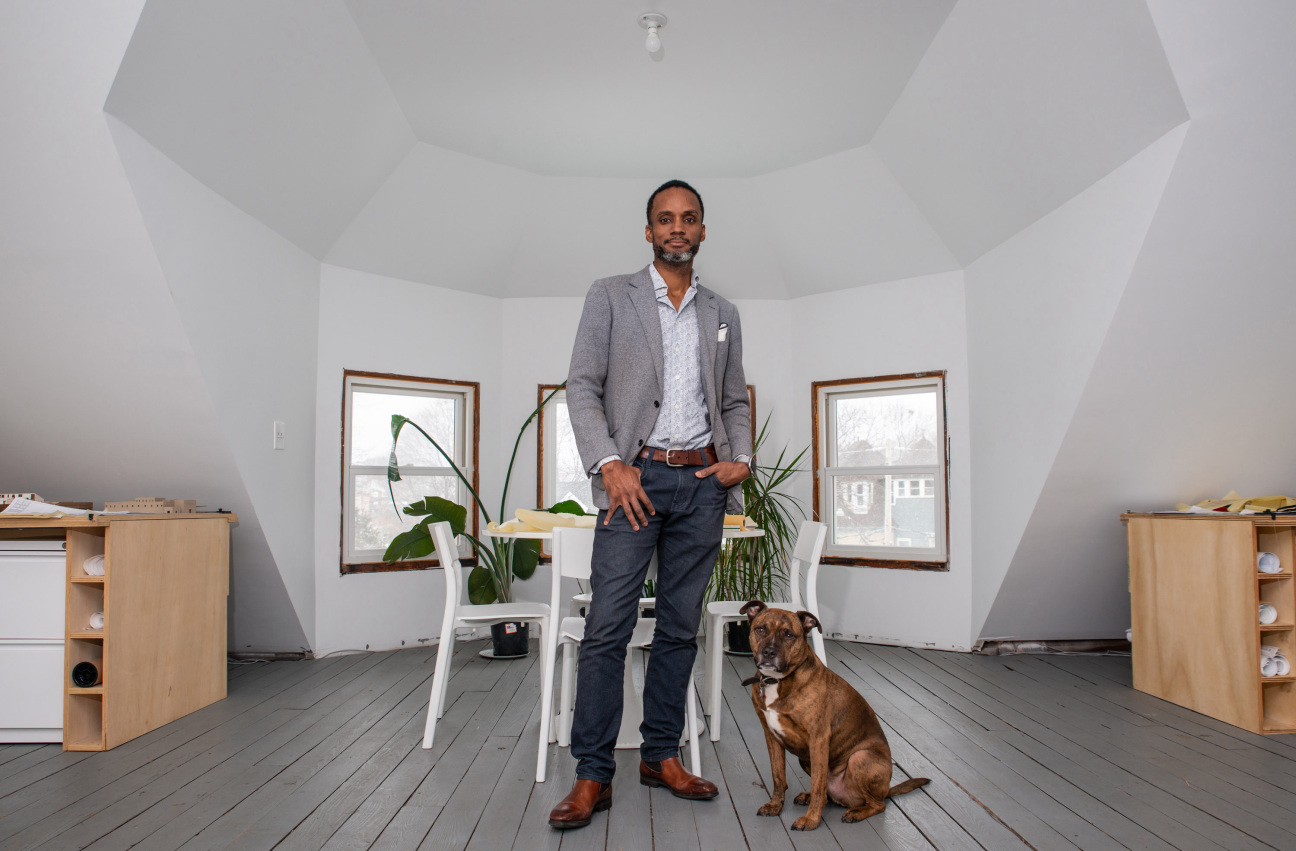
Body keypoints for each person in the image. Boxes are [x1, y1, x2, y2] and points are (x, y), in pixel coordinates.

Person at [549, 180, 753, 829]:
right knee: (607, 626)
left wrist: (738, 462)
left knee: (678, 626)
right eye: (665, 218)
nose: (676, 227)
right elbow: (581, 385)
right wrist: (610, 465)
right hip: (630, 484)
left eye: (688, 218)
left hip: (701, 485)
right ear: (648, 230)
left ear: (700, 230)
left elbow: (734, 400)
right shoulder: (610, 295)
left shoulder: (722, 312)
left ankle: (660, 754)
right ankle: (592, 773)